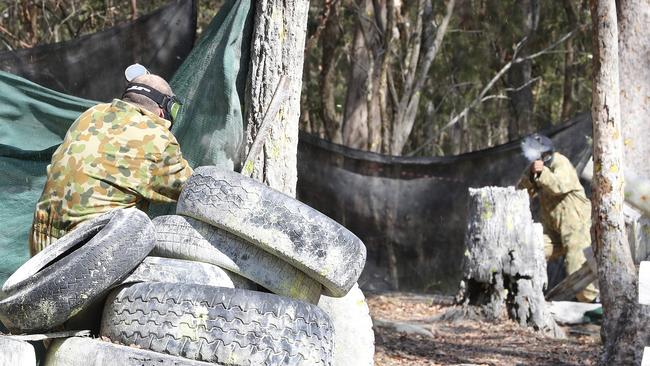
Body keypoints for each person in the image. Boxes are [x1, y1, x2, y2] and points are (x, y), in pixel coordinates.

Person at [29, 73, 193, 255]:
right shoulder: (158, 139)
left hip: (41, 238)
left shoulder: (91, 114)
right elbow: (194, 192)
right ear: (164, 110)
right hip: (91, 246)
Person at [517, 133, 597, 302]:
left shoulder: (561, 162)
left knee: (576, 264)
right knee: (531, 249)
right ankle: (525, 298)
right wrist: (531, 176)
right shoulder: (536, 168)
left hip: (576, 224)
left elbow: (559, 186)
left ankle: (592, 304)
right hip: (554, 228)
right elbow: (520, 193)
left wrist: (542, 172)